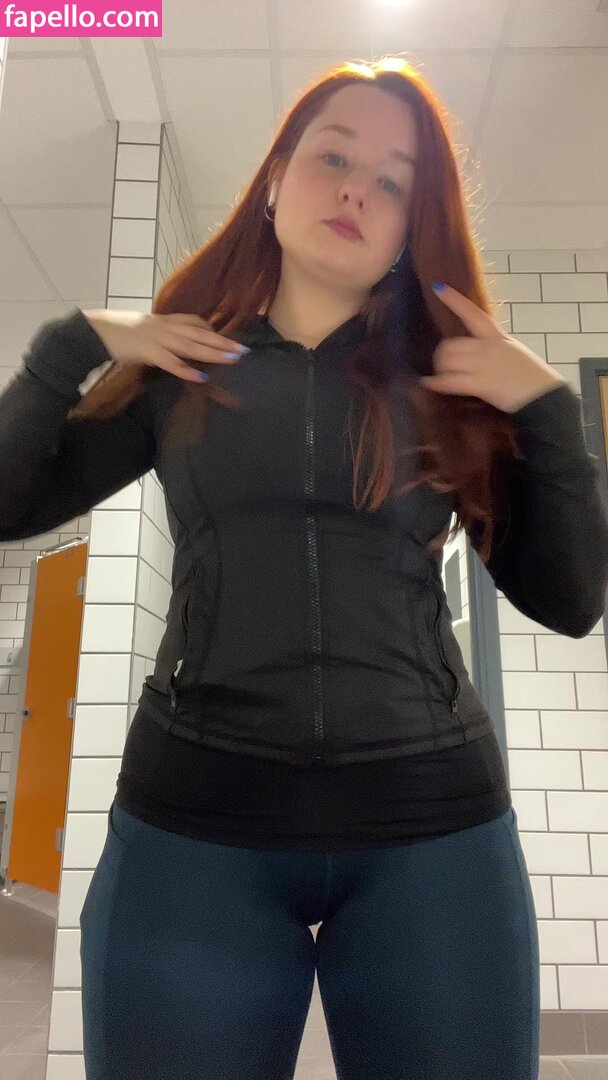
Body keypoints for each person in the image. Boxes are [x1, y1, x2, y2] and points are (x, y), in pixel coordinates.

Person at [1, 58, 607, 1080]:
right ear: (276, 178)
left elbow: (571, 600)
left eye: (391, 181)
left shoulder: (450, 384)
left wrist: (546, 409)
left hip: (432, 827)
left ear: (410, 224)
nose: (355, 190)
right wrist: (72, 344)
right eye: (334, 157)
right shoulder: (185, 367)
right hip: (195, 823)